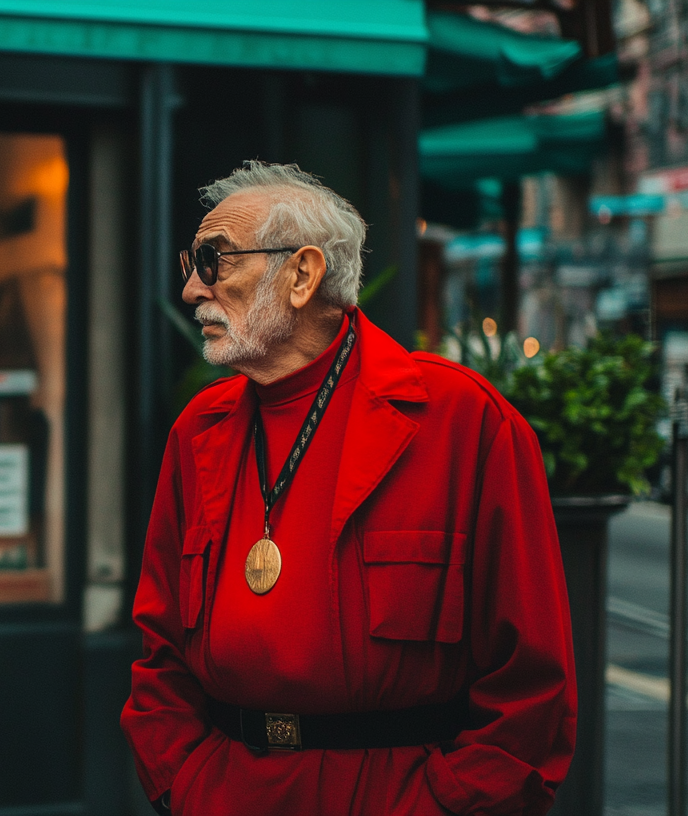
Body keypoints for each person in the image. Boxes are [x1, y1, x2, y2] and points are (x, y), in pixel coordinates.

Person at [121, 162, 575, 816]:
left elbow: (532, 686)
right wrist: (181, 782)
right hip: (224, 794)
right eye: (192, 264)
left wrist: (445, 805)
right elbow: (159, 650)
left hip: (395, 799)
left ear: (302, 275)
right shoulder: (200, 430)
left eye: (215, 262)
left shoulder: (460, 420)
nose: (192, 288)